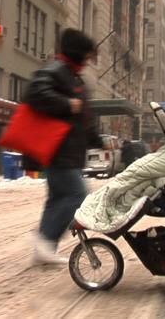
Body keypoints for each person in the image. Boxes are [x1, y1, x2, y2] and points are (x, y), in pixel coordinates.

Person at [23, 28, 109, 265]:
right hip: (58, 151)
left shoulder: (73, 77)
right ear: (77, 53)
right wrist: (66, 104)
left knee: (57, 198)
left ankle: (44, 249)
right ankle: (45, 241)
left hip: (68, 152)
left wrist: (99, 141)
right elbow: (34, 93)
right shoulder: (55, 70)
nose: (88, 62)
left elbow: (84, 119)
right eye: (87, 56)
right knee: (77, 194)